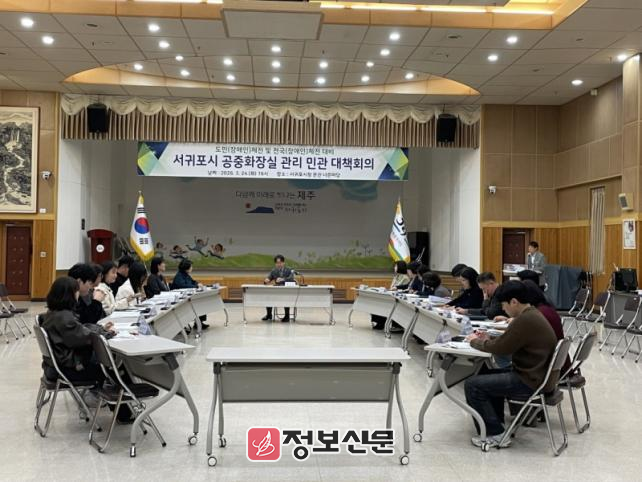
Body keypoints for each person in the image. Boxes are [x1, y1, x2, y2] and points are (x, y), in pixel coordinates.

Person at [464, 281, 558, 448]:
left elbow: (501, 349)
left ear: (514, 302)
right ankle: (496, 424)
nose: (503, 308)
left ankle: (495, 434)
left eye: (503, 304)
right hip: (537, 375)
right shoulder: (532, 314)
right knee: (485, 373)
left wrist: (474, 341)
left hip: (529, 380)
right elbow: (509, 342)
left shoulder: (525, 320)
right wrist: (489, 339)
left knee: (472, 385)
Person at [39, 277, 114, 386]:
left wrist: (100, 329)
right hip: (68, 369)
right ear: (71, 294)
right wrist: (108, 333)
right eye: (77, 291)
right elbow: (88, 338)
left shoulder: (53, 313)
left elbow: (80, 330)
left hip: (53, 367)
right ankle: (119, 395)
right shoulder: (65, 318)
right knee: (113, 369)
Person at [171, 259, 209, 329]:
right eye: (191, 266)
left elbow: (193, 281)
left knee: (200, 302)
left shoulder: (186, 275)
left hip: (187, 297)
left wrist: (198, 284)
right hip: (180, 299)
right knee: (197, 304)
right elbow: (183, 286)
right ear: (186, 268)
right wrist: (196, 286)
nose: (192, 268)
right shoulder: (179, 276)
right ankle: (197, 323)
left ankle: (199, 322)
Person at [262, 255, 295, 322]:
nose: (278, 264)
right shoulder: (274, 270)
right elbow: (269, 278)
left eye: (280, 263)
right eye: (277, 263)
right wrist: (266, 280)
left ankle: (287, 316)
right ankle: (269, 315)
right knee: (268, 296)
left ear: (283, 262)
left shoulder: (289, 270)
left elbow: (291, 279)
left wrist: (283, 279)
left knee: (286, 297)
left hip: (287, 291)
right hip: (276, 292)